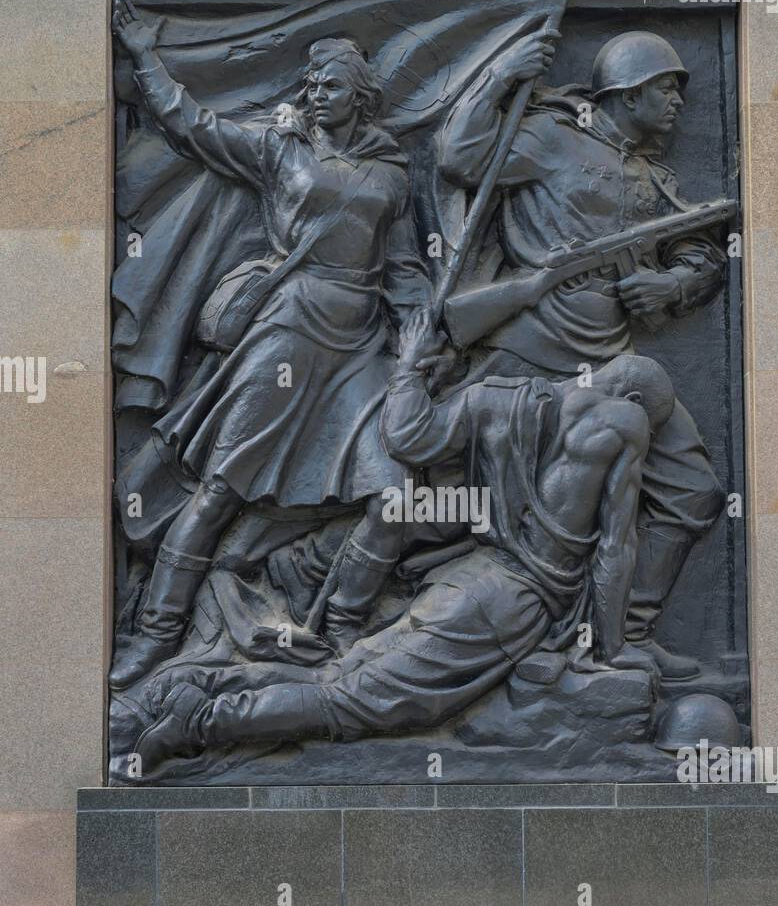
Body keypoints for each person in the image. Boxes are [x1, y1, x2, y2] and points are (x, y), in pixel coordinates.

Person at [131, 311, 676, 774]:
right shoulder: (624, 421)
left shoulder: (492, 399)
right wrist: (613, 646)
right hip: (512, 604)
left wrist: (410, 367)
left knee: (344, 676)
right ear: (629, 395)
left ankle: (197, 688)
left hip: (470, 581)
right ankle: (199, 722)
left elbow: (409, 438)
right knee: (352, 704)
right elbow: (614, 549)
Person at [109, 0, 431, 688]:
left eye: (332, 86)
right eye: (310, 85)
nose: (317, 95)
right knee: (223, 487)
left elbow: (403, 273)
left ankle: (343, 622)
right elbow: (191, 125)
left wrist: (417, 343)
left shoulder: (392, 173)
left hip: (359, 349)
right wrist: (145, 56)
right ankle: (155, 636)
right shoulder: (275, 147)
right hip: (287, 331)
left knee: (396, 494)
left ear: (360, 97)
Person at [436, 28, 727, 679]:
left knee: (694, 493)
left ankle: (631, 630)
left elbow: (696, 252)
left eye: (680, 89)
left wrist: (671, 282)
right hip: (529, 362)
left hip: (618, 369)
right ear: (626, 92)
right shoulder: (547, 137)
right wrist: (500, 75)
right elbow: (459, 159)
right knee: (506, 521)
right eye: (664, 88)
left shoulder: (651, 174)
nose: (678, 100)